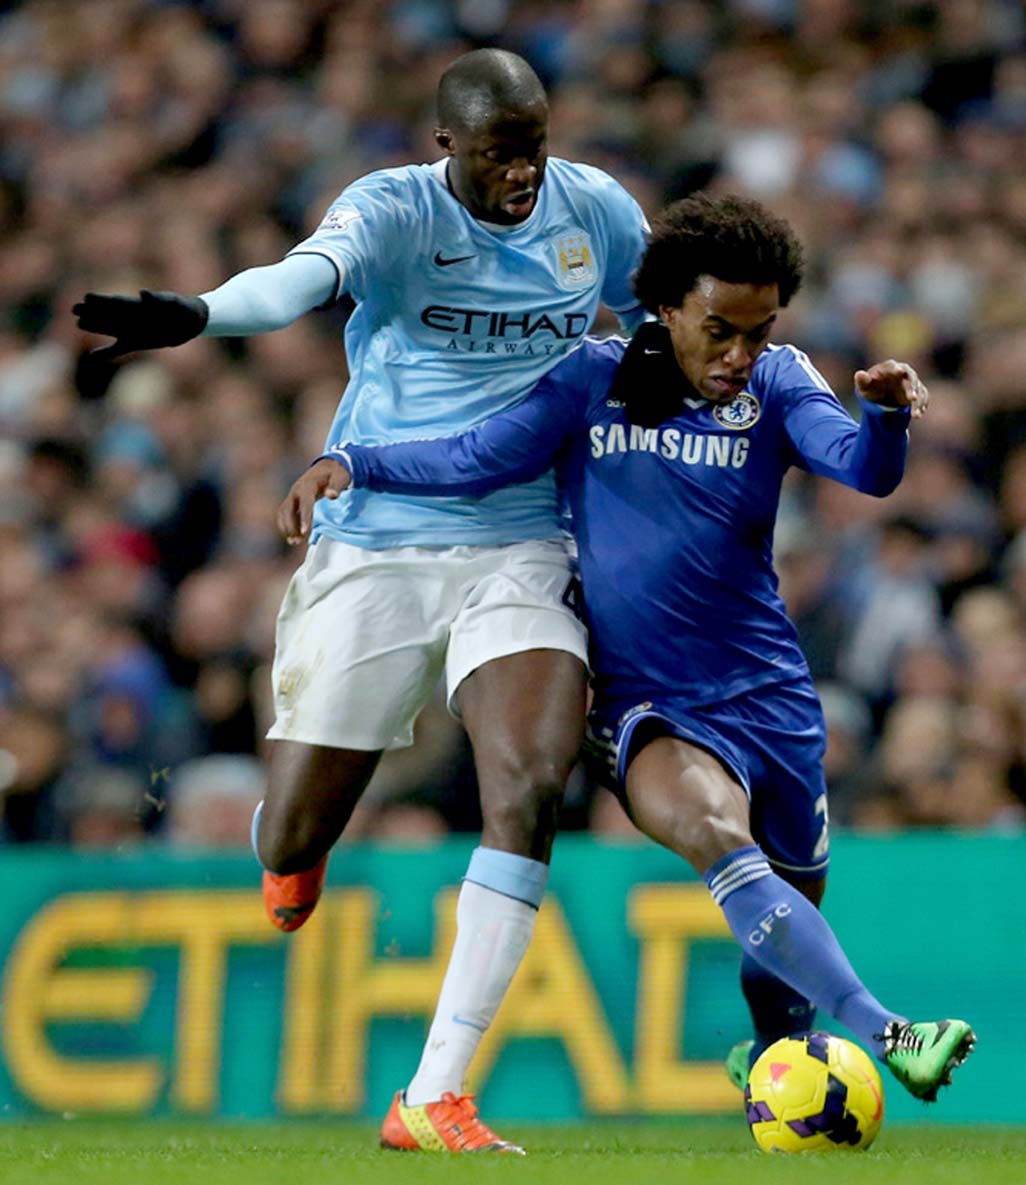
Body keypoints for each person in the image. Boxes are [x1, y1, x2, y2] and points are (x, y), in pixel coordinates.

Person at [72, 49, 649, 1154]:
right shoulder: (394, 210)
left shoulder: (594, 211)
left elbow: (662, 309)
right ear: (447, 147)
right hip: (379, 538)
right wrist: (201, 311)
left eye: (534, 148)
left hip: (524, 539)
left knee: (531, 780)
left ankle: (433, 1093)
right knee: (296, 829)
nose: (522, 173)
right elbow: (296, 281)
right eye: (499, 154)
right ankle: (289, 848)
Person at [286, 193, 976, 1109]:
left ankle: (775, 1059)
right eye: (719, 331)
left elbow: (863, 470)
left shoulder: (780, 383)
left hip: (771, 695)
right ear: (666, 308)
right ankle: (891, 1032)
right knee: (720, 839)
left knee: (786, 917)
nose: (739, 354)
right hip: (648, 705)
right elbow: (479, 455)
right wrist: (357, 461)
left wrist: (884, 418)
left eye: (759, 331)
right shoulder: (591, 378)